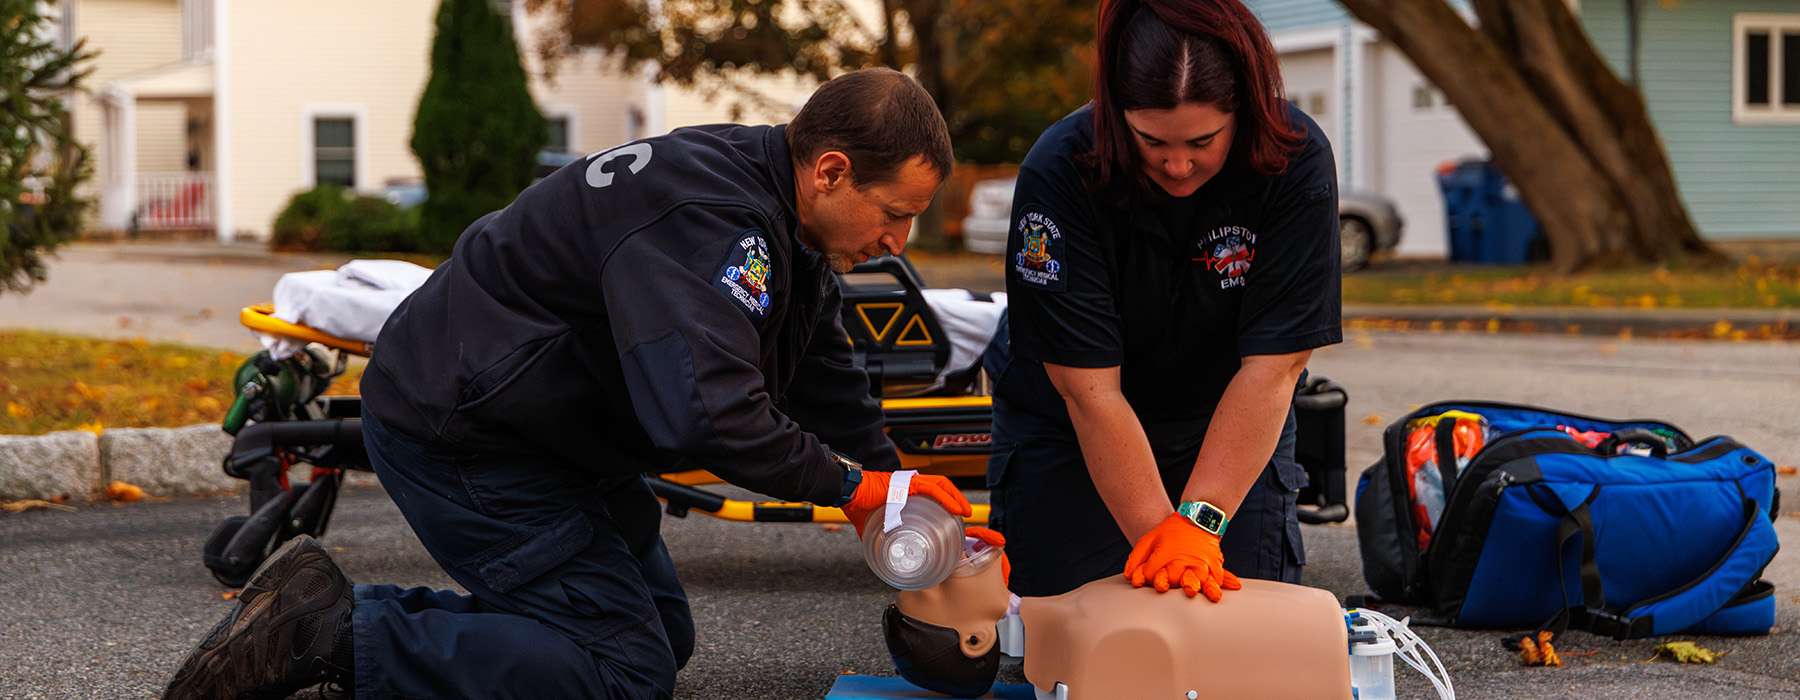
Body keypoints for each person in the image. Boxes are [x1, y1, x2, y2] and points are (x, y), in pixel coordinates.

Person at [164, 67, 977, 700]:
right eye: (894, 213)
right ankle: (330, 629)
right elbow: (706, 413)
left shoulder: (772, 199)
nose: (899, 241)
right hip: (467, 433)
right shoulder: (711, 218)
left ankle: (390, 625)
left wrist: (898, 481)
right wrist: (849, 485)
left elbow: (822, 367)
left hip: (545, 428)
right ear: (832, 170)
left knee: (658, 635)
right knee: (623, 671)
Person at [985, 0, 1341, 603]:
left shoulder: (1295, 159)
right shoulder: (1060, 170)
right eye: (1151, 141)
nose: (1178, 166)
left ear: (1244, 112)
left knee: (1246, 646)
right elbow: (1088, 389)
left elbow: (1276, 364)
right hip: (1073, 425)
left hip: (1228, 418)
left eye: (1203, 141)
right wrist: (1164, 547)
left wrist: (1197, 528)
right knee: (1077, 640)